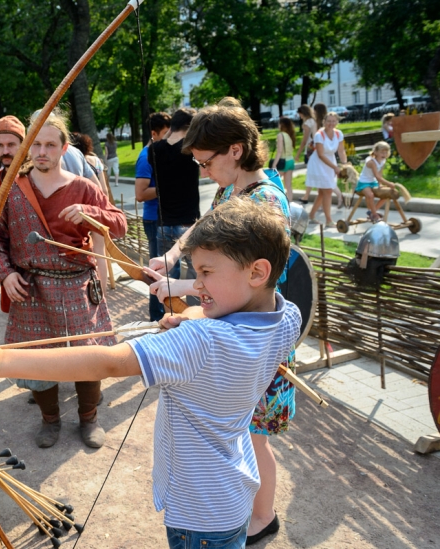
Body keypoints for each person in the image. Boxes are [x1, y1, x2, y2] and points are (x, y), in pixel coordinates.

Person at [0, 198, 301, 549]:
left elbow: (108, 361)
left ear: (257, 272)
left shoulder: (202, 341)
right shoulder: (288, 318)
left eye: (207, 273)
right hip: (235, 494)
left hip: (198, 514)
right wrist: (194, 317)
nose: (197, 286)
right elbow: (225, 325)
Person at [148, 98, 295, 546]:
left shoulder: (266, 200)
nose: (203, 170)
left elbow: (254, 283)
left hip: (254, 337)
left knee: (255, 436)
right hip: (233, 331)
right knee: (238, 431)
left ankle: (262, 517)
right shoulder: (231, 190)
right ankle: (248, 510)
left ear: (235, 150)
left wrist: (183, 289)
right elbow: (203, 228)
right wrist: (172, 257)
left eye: (206, 161)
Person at [0, 108, 127, 449]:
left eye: (50, 145)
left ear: (64, 149)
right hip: (31, 288)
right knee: (40, 361)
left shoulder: (82, 187)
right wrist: (6, 275)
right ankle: (50, 420)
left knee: (88, 358)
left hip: (78, 284)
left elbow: (119, 223)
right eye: (35, 145)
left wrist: (91, 212)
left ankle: (89, 419)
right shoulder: (11, 189)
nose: (41, 153)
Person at [148, 108, 200, 282]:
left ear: (172, 126)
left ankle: (168, 310)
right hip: (189, 223)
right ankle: (194, 310)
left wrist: (169, 133)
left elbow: (162, 143)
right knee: (197, 279)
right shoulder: (191, 149)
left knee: (166, 282)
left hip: (164, 224)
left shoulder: (154, 149)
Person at [134, 111, 171, 321]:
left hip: (165, 218)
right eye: (166, 133)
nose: (170, 137)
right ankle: (156, 319)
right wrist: (168, 188)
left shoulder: (163, 153)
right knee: (157, 272)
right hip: (153, 220)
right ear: (154, 134)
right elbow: (140, 194)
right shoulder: (145, 157)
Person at [305, 111, 347, 228]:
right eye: (328, 121)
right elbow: (321, 155)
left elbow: (341, 151)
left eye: (333, 121)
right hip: (318, 164)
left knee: (322, 193)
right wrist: (335, 167)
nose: (331, 123)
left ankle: (311, 216)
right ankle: (329, 221)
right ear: (324, 122)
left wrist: (344, 164)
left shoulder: (339, 134)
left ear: (337, 122)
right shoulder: (319, 134)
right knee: (327, 191)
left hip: (330, 162)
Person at [356, 141, 396, 223]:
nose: (384, 155)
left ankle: (372, 212)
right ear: (375, 152)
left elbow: (380, 175)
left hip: (373, 181)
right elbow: (377, 175)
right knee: (370, 195)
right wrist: (389, 183)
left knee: (386, 195)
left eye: (386, 152)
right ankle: (374, 215)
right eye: (382, 152)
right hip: (364, 182)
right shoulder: (371, 161)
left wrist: (380, 184)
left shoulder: (383, 161)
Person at [295, 105, 317, 205]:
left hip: (309, 150)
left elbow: (304, 140)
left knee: (311, 174)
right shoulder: (314, 121)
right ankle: (306, 196)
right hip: (315, 149)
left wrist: (298, 154)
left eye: (299, 114)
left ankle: (306, 196)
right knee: (312, 174)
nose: (299, 116)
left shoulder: (307, 123)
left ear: (302, 113)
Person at [271, 117, 296, 198]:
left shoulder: (280, 135)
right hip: (291, 161)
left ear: (282, 125)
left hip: (283, 162)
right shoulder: (290, 135)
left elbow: (279, 151)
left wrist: (274, 165)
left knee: (274, 183)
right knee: (288, 186)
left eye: (279, 123)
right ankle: (290, 204)